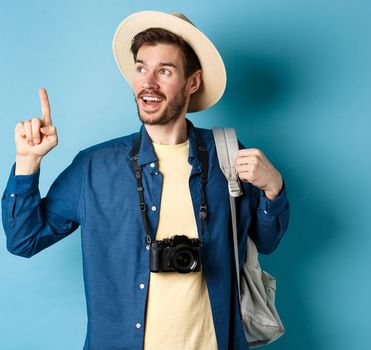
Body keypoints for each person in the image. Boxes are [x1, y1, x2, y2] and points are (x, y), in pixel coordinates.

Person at [1, 11, 290, 350]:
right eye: (141, 68)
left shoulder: (227, 154)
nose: (148, 83)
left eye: (164, 71)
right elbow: (23, 240)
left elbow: (266, 242)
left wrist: (274, 188)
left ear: (192, 82)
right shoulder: (95, 166)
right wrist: (27, 162)